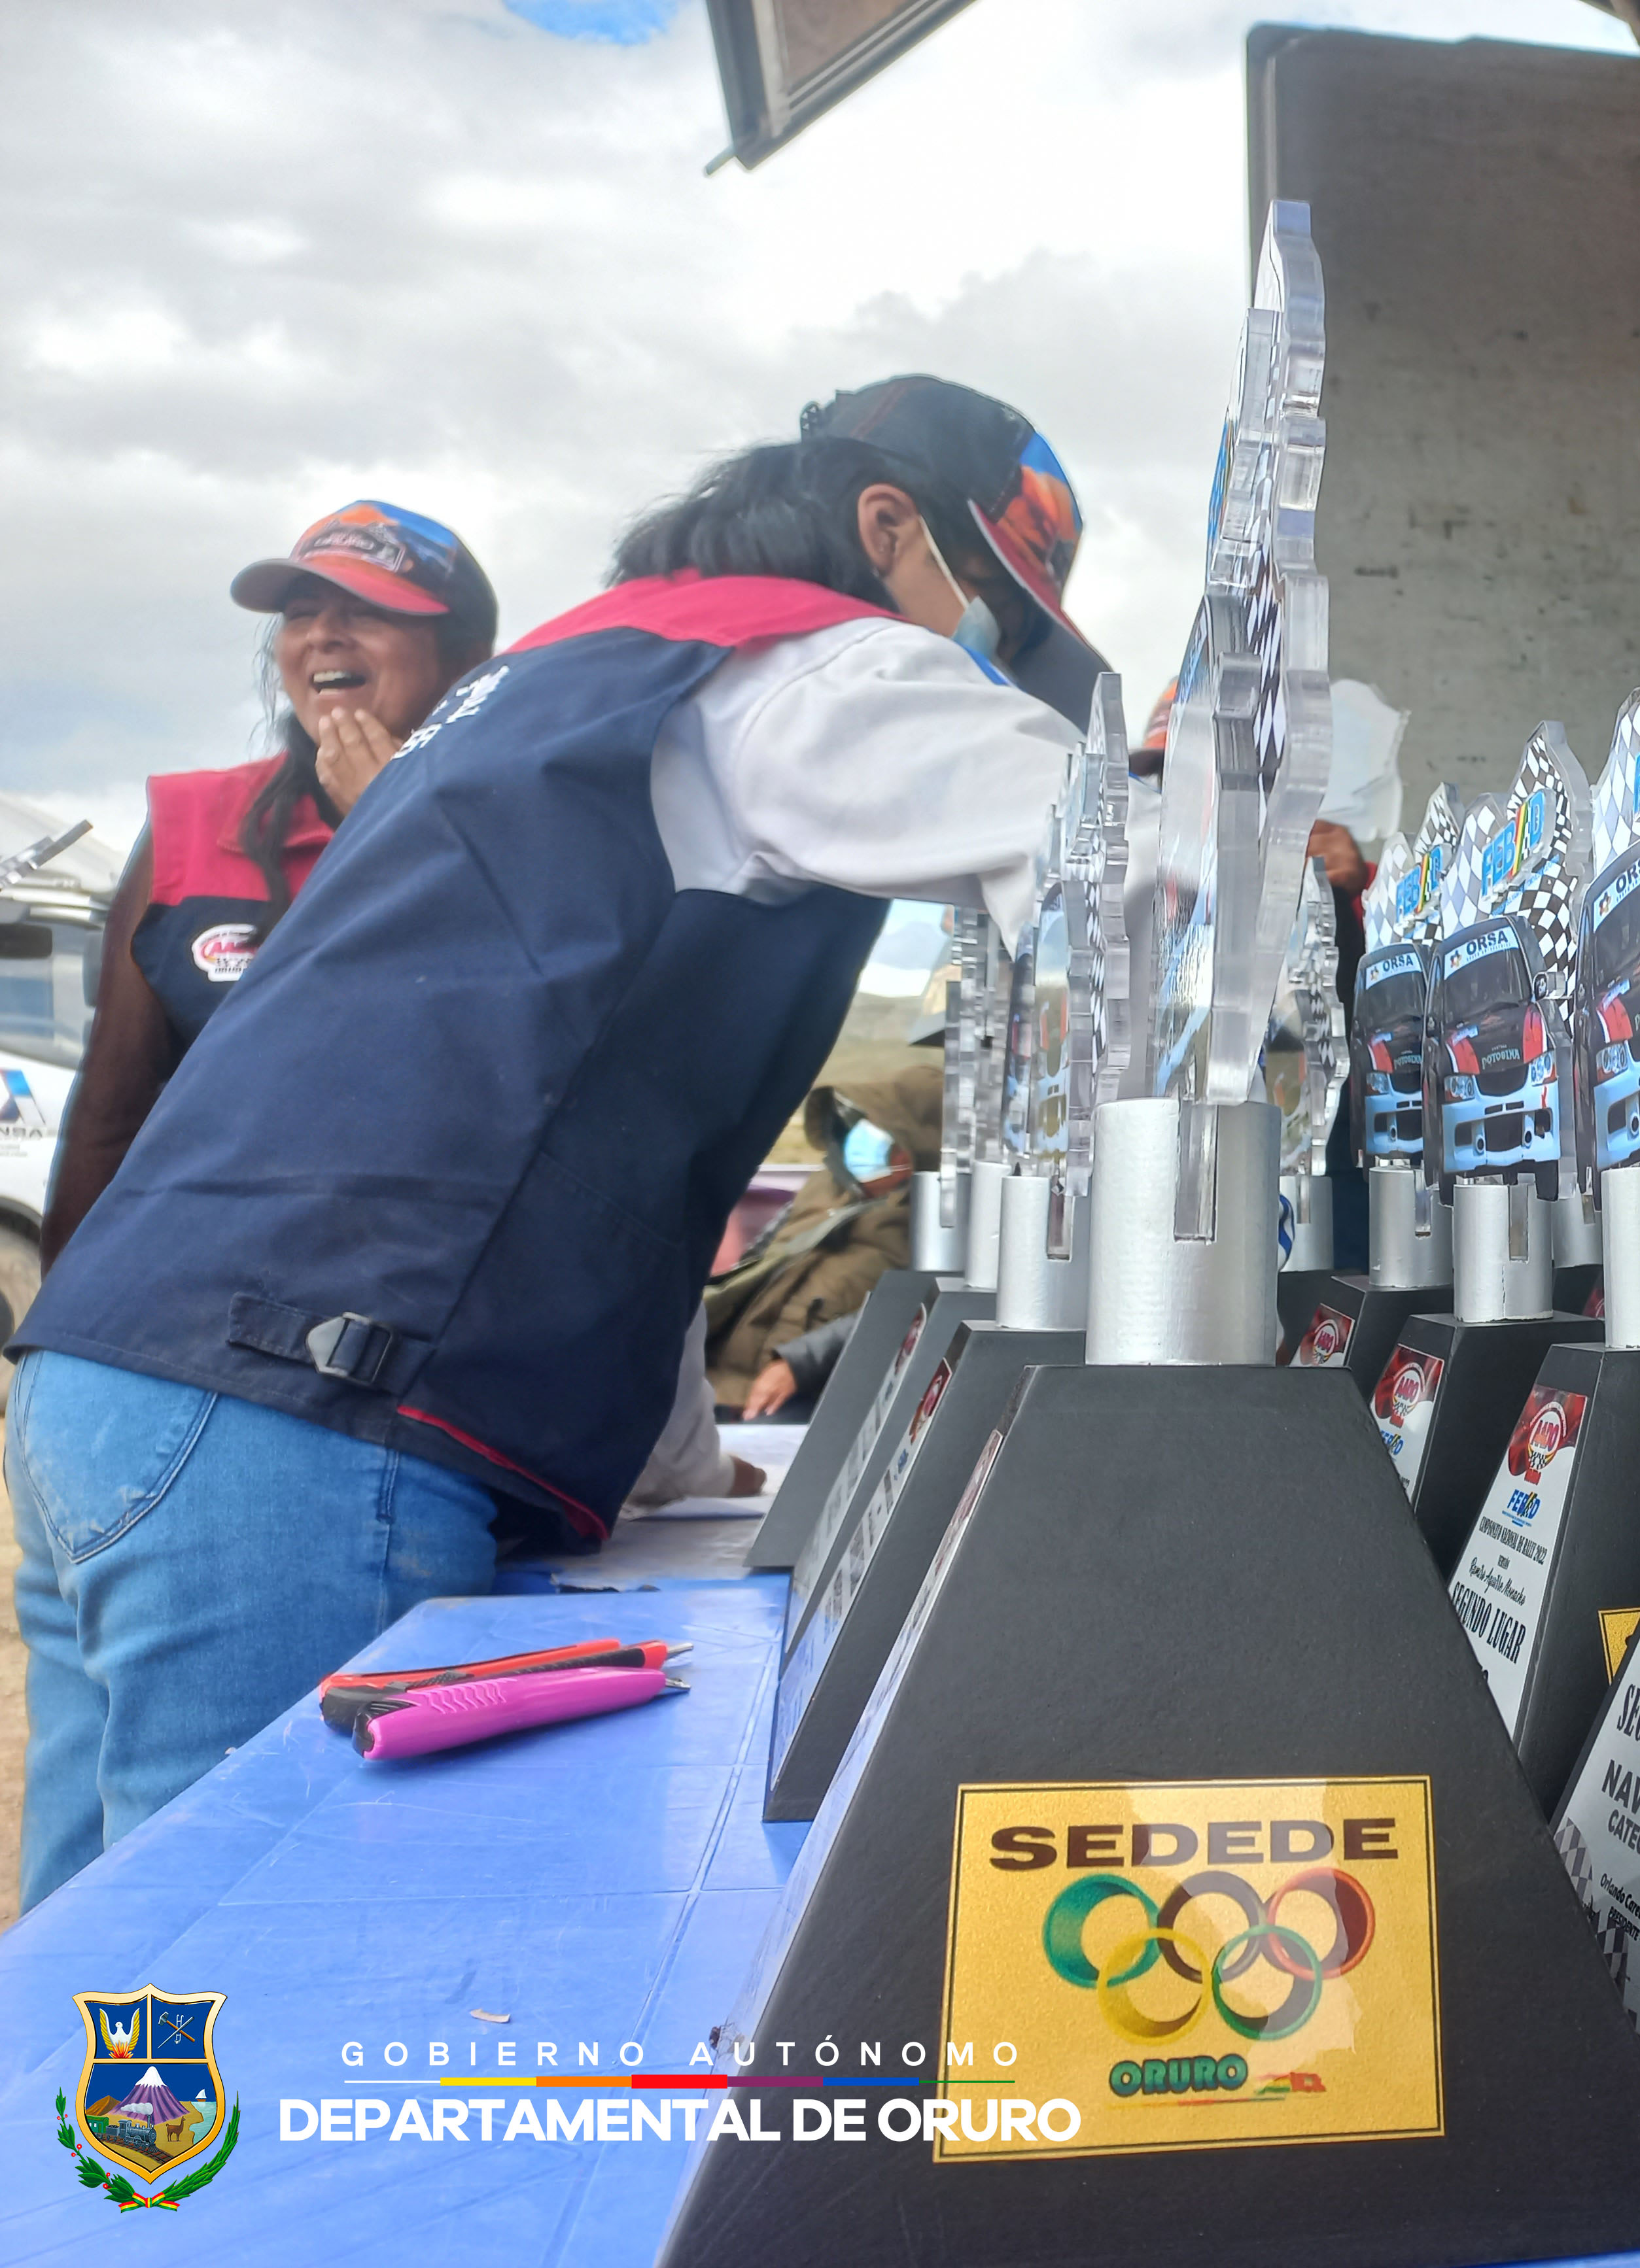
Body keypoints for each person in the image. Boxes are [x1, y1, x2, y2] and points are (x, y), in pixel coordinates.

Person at [8, 375, 1103, 1908]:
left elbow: (577, 1128)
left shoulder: (564, 674)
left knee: (96, 1990)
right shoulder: (814, 661)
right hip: (302, 1416)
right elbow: (1130, 870)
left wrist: (676, 1462)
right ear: (884, 525)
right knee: (257, 2010)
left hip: (125, 1384)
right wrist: (1272, 818)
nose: (988, 657)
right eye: (985, 605)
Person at [41, 504, 498, 1262]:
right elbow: (110, 1114)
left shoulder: (517, 835)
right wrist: (54, 1338)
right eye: (302, 612)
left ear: (466, 660)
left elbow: (493, 1067)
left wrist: (397, 832)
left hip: (408, 1288)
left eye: (368, 612)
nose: (323, 633)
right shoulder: (195, 819)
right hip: (191, 1280)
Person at [713, 1061, 941, 1418]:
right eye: (865, 1124)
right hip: (726, 1375)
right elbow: (759, 1261)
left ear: (919, 1150)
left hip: (812, 1392)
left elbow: (909, 1311)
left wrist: (800, 1364)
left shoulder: (932, 1225)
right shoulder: (827, 1186)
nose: (861, 1139)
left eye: (885, 1135)